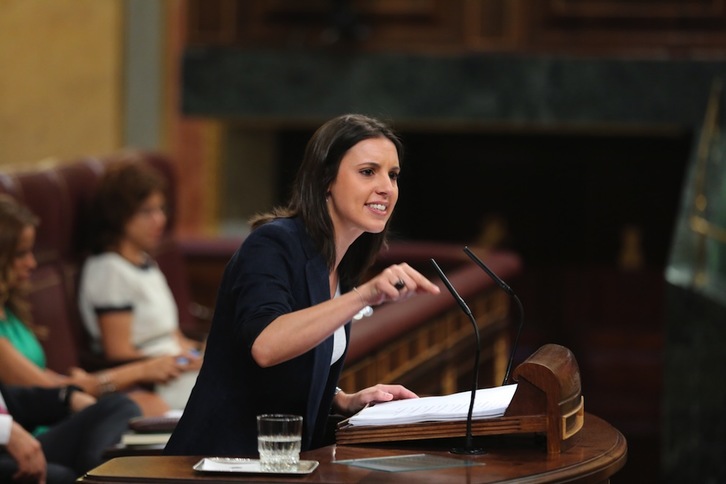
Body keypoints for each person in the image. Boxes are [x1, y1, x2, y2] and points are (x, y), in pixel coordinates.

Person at [165, 114, 441, 456]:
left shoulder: (342, 265)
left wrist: (343, 400)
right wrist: (366, 295)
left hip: (283, 463)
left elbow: (296, 366)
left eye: (393, 175)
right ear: (326, 179)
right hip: (219, 461)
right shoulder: (272, 245)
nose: (386, 187)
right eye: (368, 172)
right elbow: (266, 346)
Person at [0, 194, 181, 417]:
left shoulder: (9, 312)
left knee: (150, 404)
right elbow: (50, 393)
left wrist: (79, 381)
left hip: (60, 404)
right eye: (20, 254)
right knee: (138, 406)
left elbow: (48, 380)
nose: (32, 263)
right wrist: (142, 371)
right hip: (37, 430)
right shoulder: (109, 269)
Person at [78, 158, 203, 413]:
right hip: (152, 383)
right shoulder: (109, 270)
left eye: (161, 209)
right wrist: (178, 362)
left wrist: (199, 353)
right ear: (119, 215)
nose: (159, 220)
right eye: (147, 212)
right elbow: (118, 353)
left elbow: (172, 335)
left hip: (175, 369)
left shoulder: (145, 261)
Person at [0, 382, 140, 484]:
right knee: (60, 476)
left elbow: (16, 400)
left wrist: (67, 397)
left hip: (16, 442)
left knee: (118, 406)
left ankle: (94, 476)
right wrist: (5, 430)